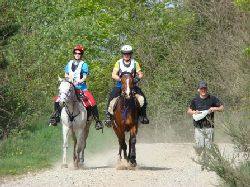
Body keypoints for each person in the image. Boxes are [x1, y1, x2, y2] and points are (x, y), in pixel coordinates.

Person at [48, 45, 103, 130]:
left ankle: (97, 121)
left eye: (79, 53)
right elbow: (66, 75)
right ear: (74, 54)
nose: (77, 54)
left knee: (92, 101)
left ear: (81, 54)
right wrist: (67, 82)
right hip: (69, 87)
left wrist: (77, 82)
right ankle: (56, 117)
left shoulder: (84, 65)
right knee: (57, 99)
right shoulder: (69, 64)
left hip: (81, 88)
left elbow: (84, 77)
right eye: (76, 53)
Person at [104, 45, 149, 126]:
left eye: (128, 53)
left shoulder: (135, 63)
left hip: (132, 86)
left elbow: (140, 74)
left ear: (130, 54)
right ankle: (108, 116)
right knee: (111, 97)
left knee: (143, 97)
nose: (126, 55)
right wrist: (120, 79)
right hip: (120, 86)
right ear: (122, 54)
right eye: (125, 53)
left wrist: (137, 79)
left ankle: (143, 116)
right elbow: (113, 74)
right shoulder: (118, 62)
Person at [187, 80, 224, 157]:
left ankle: (207, 163)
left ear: (207, 89)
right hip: (198, 127)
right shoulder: (195, 100)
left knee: (209, 148)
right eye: (201, 89)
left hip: (209, 127)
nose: (203, 90)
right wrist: (194, 112)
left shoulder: (212, 99)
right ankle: (199, 157)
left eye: (205, 88)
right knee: (199, 146)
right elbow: (189, 111)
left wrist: (214, 108)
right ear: (198, 90)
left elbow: (222, 108)